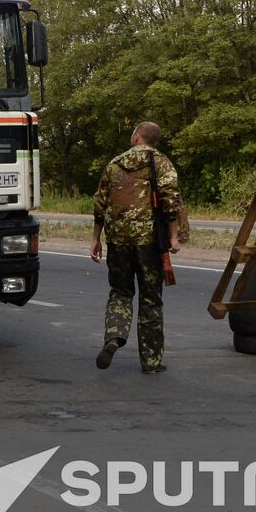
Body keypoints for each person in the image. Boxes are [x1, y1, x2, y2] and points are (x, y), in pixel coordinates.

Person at [90, 121, 182, 373]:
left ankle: (114, 337)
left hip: (118, 240)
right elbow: (170, 202)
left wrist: (96, 239)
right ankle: (151, 362)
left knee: (120, 292)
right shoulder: (162, 163)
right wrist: (173, 237)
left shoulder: (114, 164)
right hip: (150, 242)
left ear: (137, 136)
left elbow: (100, 204)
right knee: (151, 299)